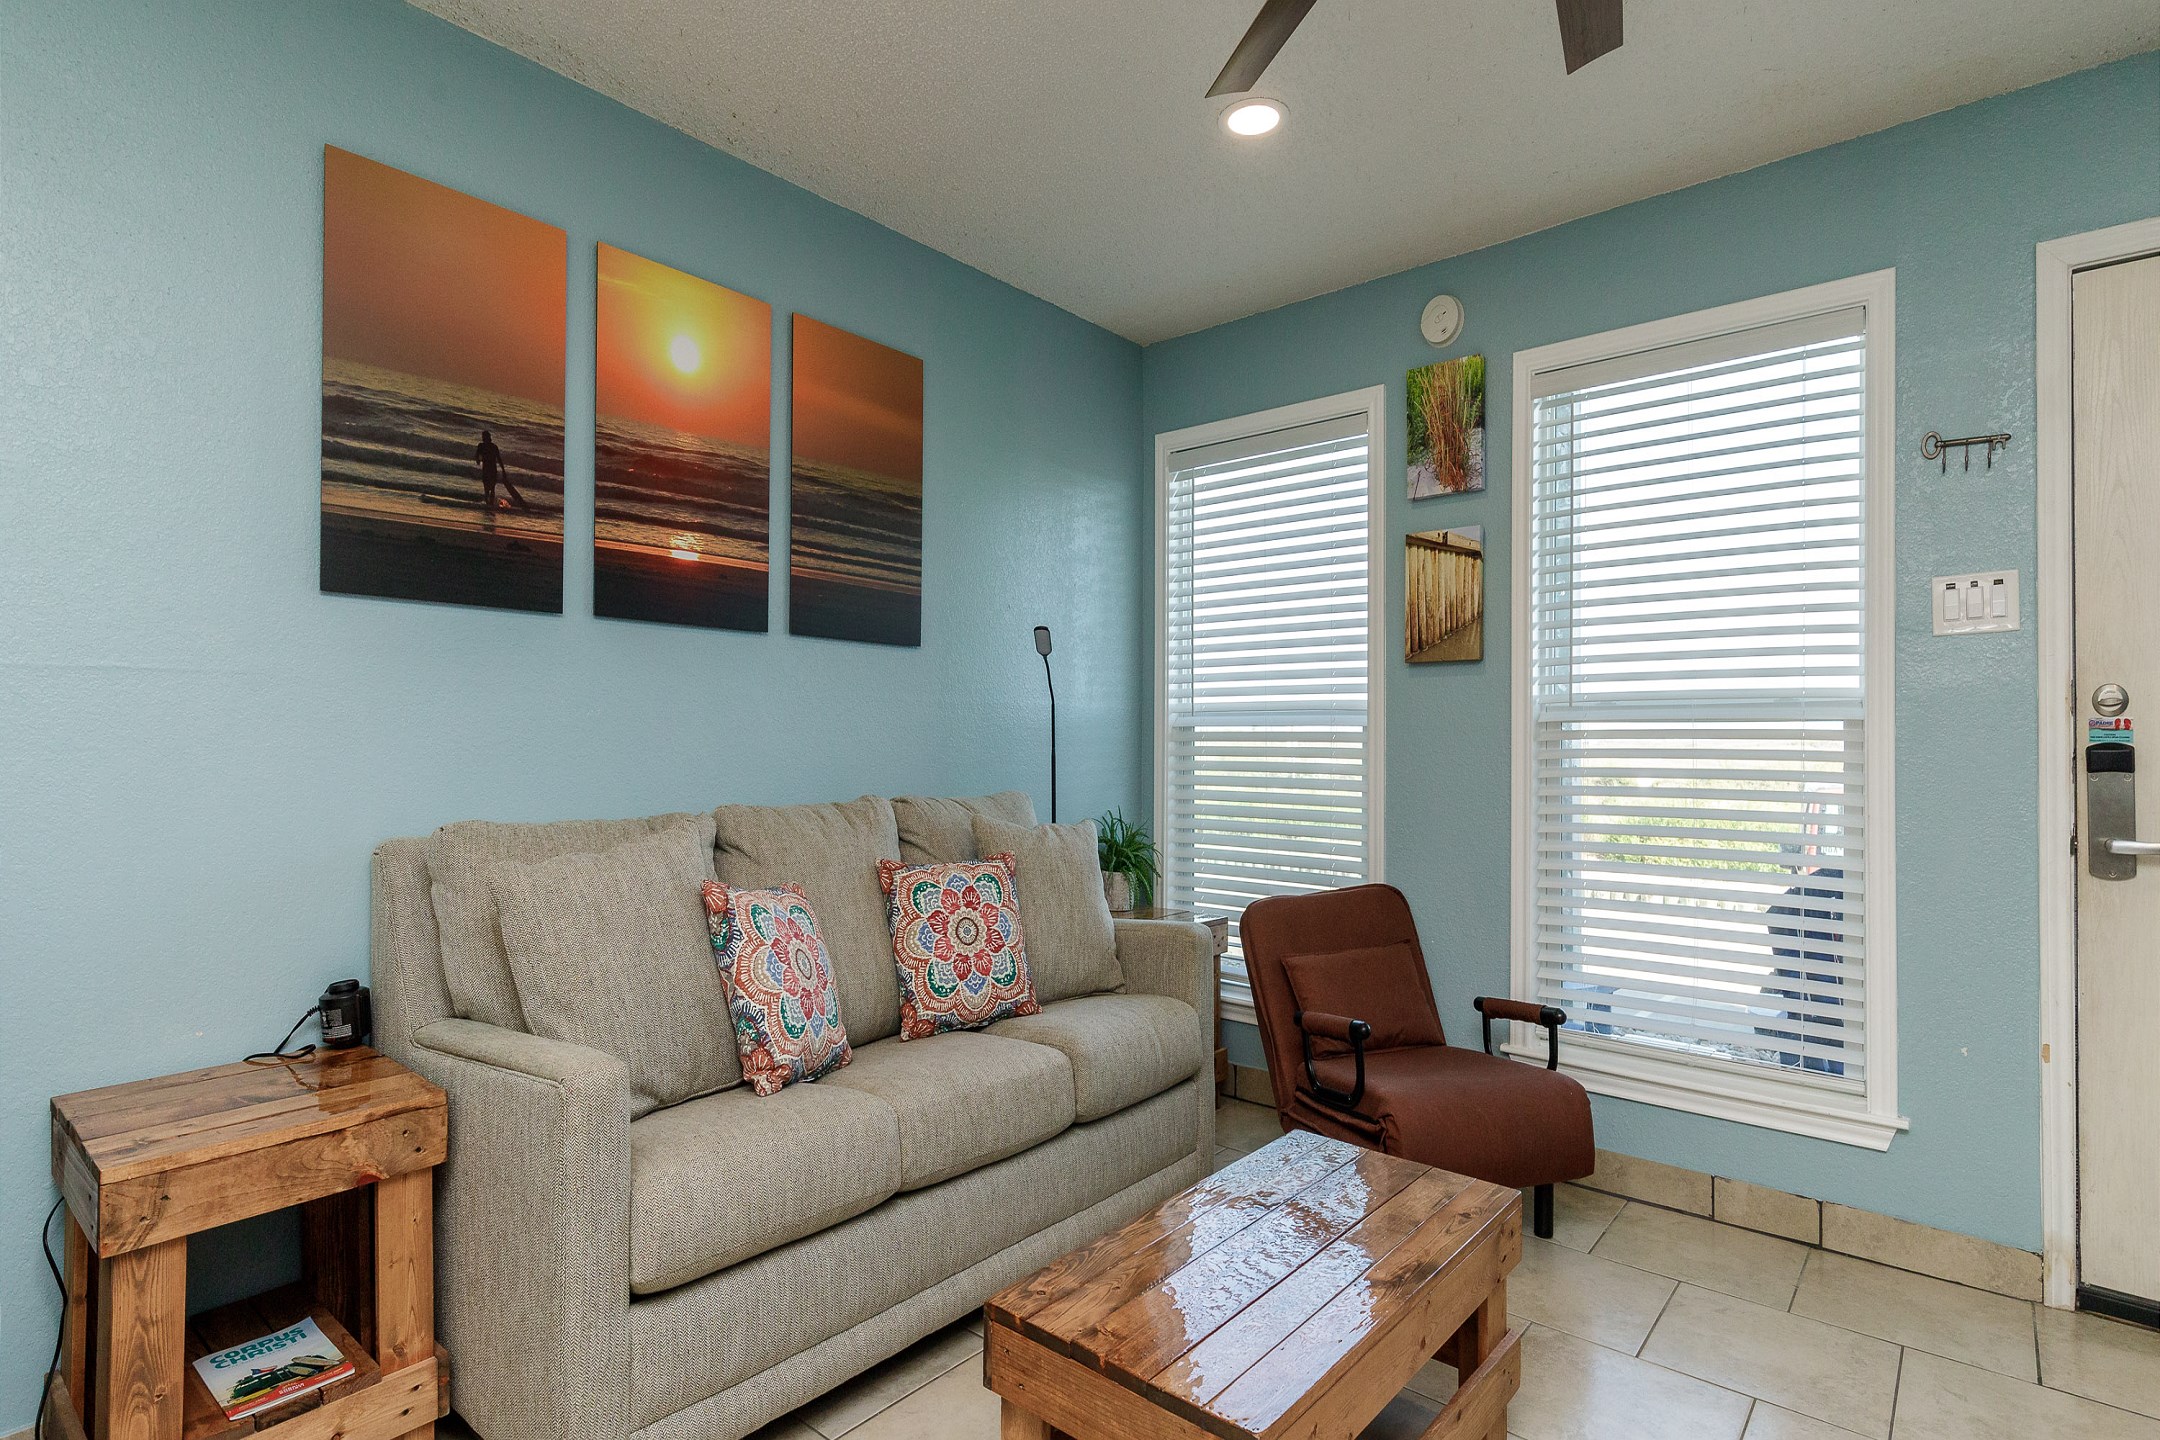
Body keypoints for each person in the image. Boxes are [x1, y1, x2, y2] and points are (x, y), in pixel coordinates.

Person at [476, 429, 530, 512]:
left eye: (483, 437)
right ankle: (489, 506)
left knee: (488, 489)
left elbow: (478, 456)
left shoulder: (483, 446)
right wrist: (503, 470)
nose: (483, 438)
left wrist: (478, 461)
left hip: (488, 470)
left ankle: (489, 506)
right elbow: (498, 459)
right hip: (491, 469)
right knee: (490, 489)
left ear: (486, 437)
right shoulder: (492, 446)